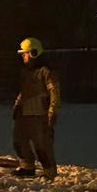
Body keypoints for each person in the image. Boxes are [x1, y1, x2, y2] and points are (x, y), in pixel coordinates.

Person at [12, 37, 60, 179]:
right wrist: (17, 105)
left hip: (40, 114)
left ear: (34, 53)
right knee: (19, 141)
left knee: (42, 145)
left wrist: (52, 111)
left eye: (25, 54)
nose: (23, 57)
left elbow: (55, 92)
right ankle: (27, 166)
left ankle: (49, 171)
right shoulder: (25, 72)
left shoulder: (46, 71)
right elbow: (23, 92)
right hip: (24, 114)